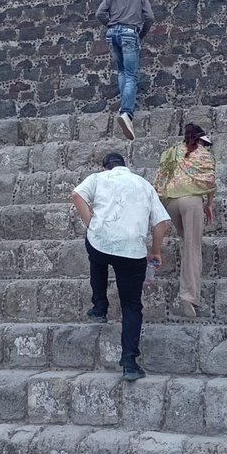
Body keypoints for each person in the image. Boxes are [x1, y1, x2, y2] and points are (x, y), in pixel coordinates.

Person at [72, 153, 170, 382]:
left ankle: (99, 307)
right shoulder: (144, 184)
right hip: (132, 251)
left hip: (100, 242)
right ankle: (129, 362)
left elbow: (77, 194)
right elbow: (161, 223)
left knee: (96, 257)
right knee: (132, 306)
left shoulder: (98, 178)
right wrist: (155, 251)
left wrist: (91, 223)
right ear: (125, 167)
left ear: (105, 167)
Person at [154, 125, 215, 319]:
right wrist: (209, 204)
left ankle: (186, 283)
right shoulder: (203, 153)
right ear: (200, 140)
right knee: (192, 247)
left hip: (172, 203)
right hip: (192, 201)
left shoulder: (171, 152)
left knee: (185, 242)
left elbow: (160, 178)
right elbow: (210, 181)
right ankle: (188, 295)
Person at [95, 0, 154, 141]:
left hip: (112, 34)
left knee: (121, 72)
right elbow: (150, 17)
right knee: (131, 75)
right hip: (129, 33)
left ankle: (123, 107)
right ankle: (127, 113)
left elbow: (99, 13)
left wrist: (111, 25)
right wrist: (141, 34)